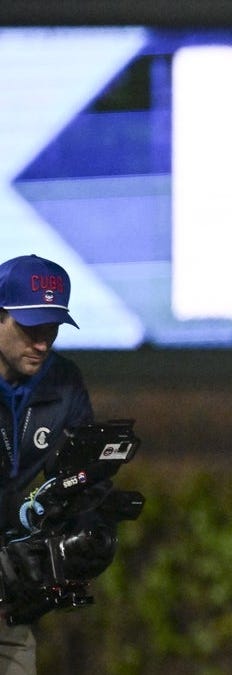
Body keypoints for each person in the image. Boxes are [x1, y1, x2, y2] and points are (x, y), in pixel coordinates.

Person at [0, 254, 93, 674]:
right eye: (29, 326)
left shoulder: (64, 382)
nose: (42, 341)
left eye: (51, 327)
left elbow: (77, 483)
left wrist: (84, 537)